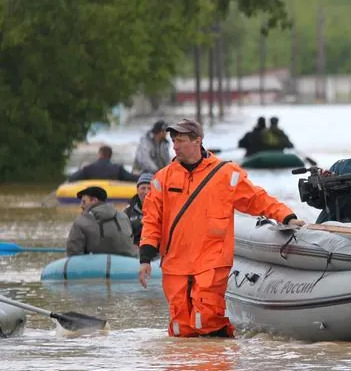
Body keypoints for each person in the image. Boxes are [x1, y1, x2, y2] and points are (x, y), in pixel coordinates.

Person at [138, 118, 305, 338]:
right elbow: (151, 220)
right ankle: (181, 370)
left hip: (211, 260)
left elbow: (257, 199)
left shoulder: (225, 174)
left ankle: (215, 366)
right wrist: (145, 258)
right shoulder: (163, 178)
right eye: (173, 141)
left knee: (207, 318)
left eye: (179, 140)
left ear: (197, 141)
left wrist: (286, 216)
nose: (174, 146)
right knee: (179, 326)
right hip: (175, 263)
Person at [65, 186, 136, 257]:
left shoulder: (82, 220)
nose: (81, 205)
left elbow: (73, 253)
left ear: (94, 200)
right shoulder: (123, 216)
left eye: (84, 202)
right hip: (129, 263)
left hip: (99, 265)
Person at [68, 145, 140, 182]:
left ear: (99, 154)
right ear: (110, 156)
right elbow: (131, 178)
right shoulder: (117, 168)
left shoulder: (88, 168)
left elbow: (72, 178)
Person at [124, 173, 153, 246]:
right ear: (137, 190)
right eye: (143, 188)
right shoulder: (128, 211)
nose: (146, 192)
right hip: (134, 254)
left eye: (149, 188)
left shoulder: (162, 210)